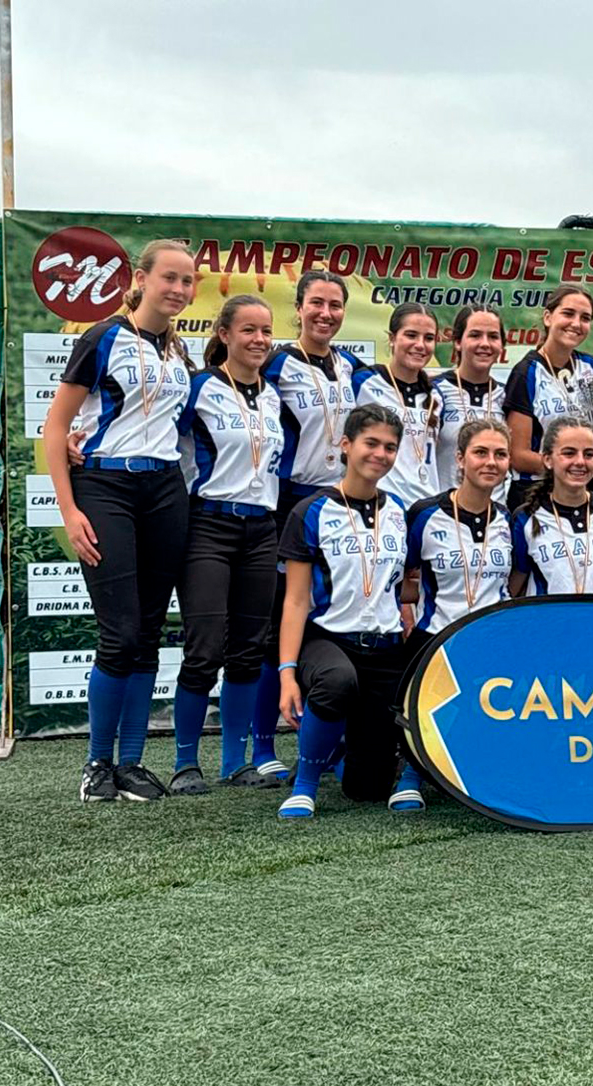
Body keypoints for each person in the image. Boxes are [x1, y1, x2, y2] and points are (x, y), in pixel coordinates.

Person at [44, 239, 196, 803]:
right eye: (169, 278)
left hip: (164, 490)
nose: (178, 289)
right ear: (141, 278)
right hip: (106, 486)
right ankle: (96, 764)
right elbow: (56, 426)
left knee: (149, 633)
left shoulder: (180, 351)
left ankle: (131, 763)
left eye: (187, 281)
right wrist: (69, 510)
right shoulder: (102, 337)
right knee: (121, 633)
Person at [169, 295, 286, 793]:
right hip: (209, 525)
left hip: (261, 529)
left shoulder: (274, 396)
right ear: (224, 334)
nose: (259, 340)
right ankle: (185, 764)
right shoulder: (199, 387)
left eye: (266, 331)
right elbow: (152, 433)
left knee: (248, 650)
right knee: (203, 648)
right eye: (248, 330)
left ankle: (235, 762)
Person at [251, 270, 363, 779]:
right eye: (316, 303)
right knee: (278, 625)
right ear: (298, 308)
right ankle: (261, 747)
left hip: (339, 504)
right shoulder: (276, 363)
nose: (326, 313)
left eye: (335, 305)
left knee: (331, 618)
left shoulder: (351, 367)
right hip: (289, 501)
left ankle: (329, 743)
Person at [274, 405, 413, 819]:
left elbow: (401, 585)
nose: (380, 454)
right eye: (371, 443)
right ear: (346, 445)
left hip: (384, 648)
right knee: (336, 682)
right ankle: (305, 784)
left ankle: (339, 751)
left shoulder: (399, 511)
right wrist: (286, 674)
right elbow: (295, 600)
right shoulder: (311, 511)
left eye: (390, 447)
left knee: (366, 789)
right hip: (329, 640)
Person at [395, 419, 515, 809]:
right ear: (460, 459)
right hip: (436, 638)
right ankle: (411, 773)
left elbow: (515, 581)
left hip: (493, 640)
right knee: (423, 711)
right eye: (481, 453)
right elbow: (402, 574)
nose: (491, 462)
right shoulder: (425, 514)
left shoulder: (508, 519)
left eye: (500, 454)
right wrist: (405, 616)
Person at [503, 285, 593, 507]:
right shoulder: (527, 373)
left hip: (582, 492)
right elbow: (518, 456)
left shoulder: (591, 366)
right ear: (548, 317)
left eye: (585, 318)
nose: (576, 323)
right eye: (568, 313)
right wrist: (587, 465)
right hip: (535, 494)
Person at [509, 415, 593, 596]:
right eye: (569, 453)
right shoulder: (526, 517)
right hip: (549, 614)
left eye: (589, 454)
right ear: (548, 460)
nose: (580, 462)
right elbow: (515, 589)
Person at [353, 303, 442, 508]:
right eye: (411, 335)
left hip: (426, 506)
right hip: (381, 505)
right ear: (392, 338)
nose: (420, 345)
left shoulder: (437, 394)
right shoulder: (363, 382)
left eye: (428, 338)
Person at [433, 305, 509, 503]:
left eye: (493, 337)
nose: (485, 344)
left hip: (495, 513)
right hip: (445, 510)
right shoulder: (434, 391)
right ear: (458, 342)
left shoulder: (508, 396)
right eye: (475, 335)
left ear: (502, 345)